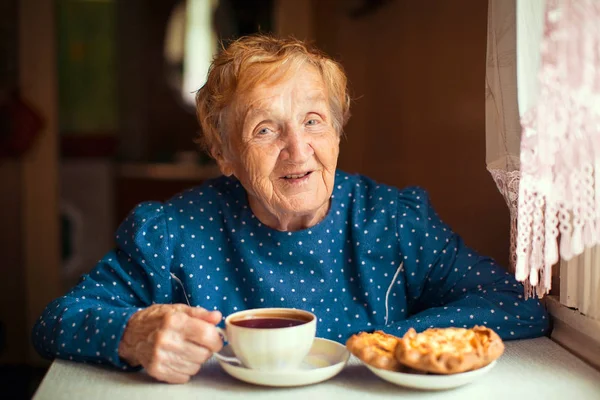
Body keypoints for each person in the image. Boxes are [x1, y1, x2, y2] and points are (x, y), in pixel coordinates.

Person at [32, 34, 549, 384]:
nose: (298, 151)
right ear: (224, 155)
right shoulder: (173, 233)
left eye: (313, 121)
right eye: (264, 130)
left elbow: (515, 303)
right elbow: (57, 319)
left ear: (338, 131)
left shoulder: (392, 221)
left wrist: (393, 343)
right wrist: (133, 335)